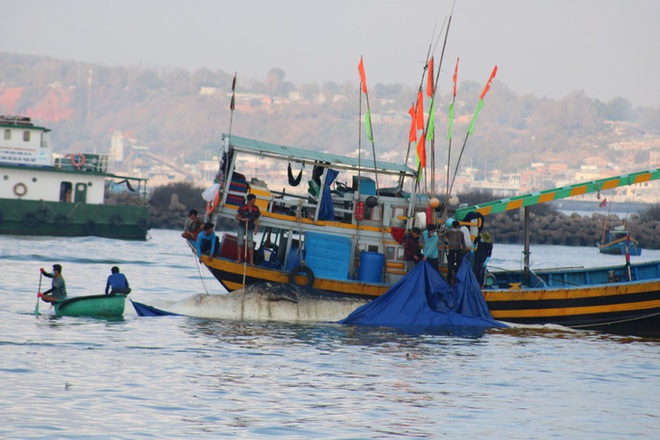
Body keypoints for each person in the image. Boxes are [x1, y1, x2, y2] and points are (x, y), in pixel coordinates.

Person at [236, 193, 261, 265]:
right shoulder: (243, 207)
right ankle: (239, 258)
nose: (254, 202)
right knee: (240, 242)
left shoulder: (256, 208)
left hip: (250, 228)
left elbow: (257, 219)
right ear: (249, 201)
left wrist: (256, 228)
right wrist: (243, 219)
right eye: (253, 201)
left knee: (250, 244)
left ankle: (251, 261)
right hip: (242, 226)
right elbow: (237, 216)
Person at [443, 220, 469, 285]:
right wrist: (465, 250)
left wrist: (446, 242)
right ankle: (456, 282)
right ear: (458, 226)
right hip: (458, 251)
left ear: (452, 226)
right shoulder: (460, 233)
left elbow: (441, 237)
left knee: (450, 267)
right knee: (457, 267)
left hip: (453, 251)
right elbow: (463, 243)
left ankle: (449, 282)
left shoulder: (449, 232)